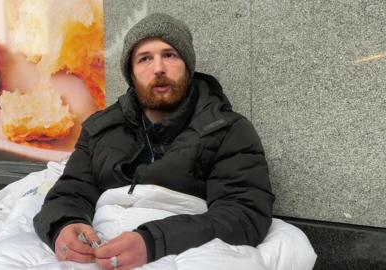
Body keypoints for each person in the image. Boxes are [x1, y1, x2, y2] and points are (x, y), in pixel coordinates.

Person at [34, 12, 275, 270]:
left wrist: (152, 241)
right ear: (131, 72)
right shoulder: (100, 128)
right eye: (145, 58)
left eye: (169, 55)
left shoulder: (227, 129)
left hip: (180, 248)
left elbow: (244, 213)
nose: (158, 68)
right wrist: (64, 226)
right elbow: (70, 192)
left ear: (187, 65)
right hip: (100, 247)